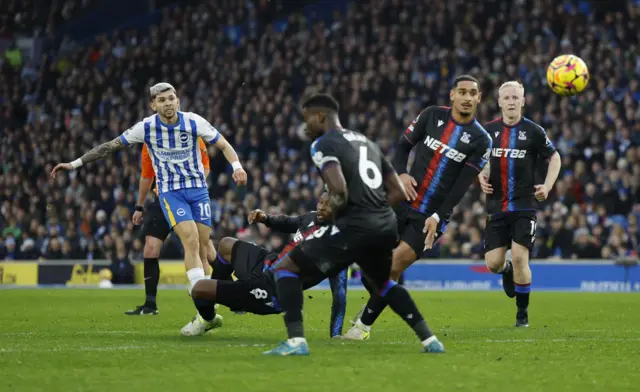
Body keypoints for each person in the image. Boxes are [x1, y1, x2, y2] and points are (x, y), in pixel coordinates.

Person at [254, 93, 444, 356]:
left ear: (321, 116)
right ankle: (430, 340)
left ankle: (296, 342)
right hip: (385, 224)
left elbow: (339, 190)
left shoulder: (323, 144)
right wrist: (374, 213)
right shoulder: (367, 143)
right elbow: (399, 192)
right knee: (384, 283)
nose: (305, 126)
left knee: (285, 268)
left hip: (354, 225)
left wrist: (343, 219)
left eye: (307, 119)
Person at [50, 82, 247, 334]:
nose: (167, 103)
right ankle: (201, 304)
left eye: (171, 98)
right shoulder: (146, 128)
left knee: (204, 243)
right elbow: (110, 146)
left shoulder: (194, 122)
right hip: (170, 193)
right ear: (153, 105)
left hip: (198, 191)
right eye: (161, 100)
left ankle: (204, 315)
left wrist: (237, 166)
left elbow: (224, 145)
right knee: (191, 241)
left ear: (178, 101)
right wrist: (75, 163)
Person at [343, 75, 492, 340]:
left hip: (429, 217)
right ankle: (382, 294)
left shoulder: (481, 140)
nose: (468, 98)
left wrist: (437, 215)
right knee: (374, 267)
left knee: (393, 266)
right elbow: (402, 147)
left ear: (479, 98)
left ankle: (362, 327)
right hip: (401, 202)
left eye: (473, 93)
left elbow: (461, 186)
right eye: (463, 92)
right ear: (452, 95)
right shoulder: (432, 116)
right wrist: (400, 173)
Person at [190, 192, 349, 338]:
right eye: (320, 202)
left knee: (198, 289)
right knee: (226, 245)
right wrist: (265, 218)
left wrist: (336, 335)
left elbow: (339, 295)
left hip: (272, 290)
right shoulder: (311, 218)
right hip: (267, 263)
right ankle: (224, 305)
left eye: (327, 205)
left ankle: (212, 315)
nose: (321, 207)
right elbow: (289, 222)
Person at [479, 81, 561, 327]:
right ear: (500, 102)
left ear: (523, 101)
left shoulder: (534, 131)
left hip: (525, 205)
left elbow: (554, 157)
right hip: (496, 206)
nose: (512, 101)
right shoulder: (487, 131)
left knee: (519, 258)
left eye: (516, 97)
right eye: (507, 97)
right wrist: (481, 175)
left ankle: (522, 314)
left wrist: (546, 186)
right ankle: (505, 272)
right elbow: (481, 160)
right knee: (493, 263)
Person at [125, 138, 216, 315]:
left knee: (206, 250)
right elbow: (147, 176)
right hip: (163, 199)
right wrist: (139, 206)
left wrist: (193, 185)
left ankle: (227, 294)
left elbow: (205, 166)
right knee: (150, 249)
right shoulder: (150, 142)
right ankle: (150, 304)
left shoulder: (192, 135)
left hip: (189, 198)